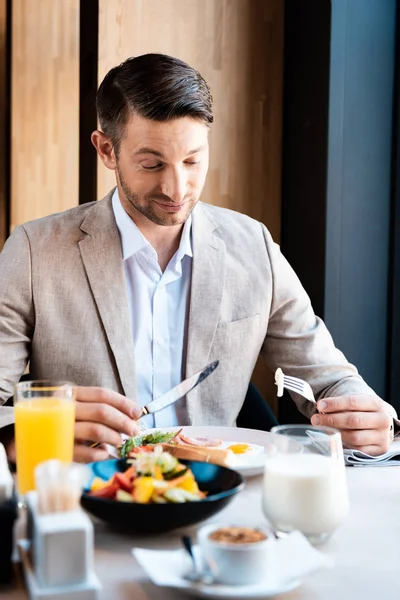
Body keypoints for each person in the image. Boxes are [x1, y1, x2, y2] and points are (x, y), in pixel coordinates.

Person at [0, 53, 397, 463]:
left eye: (192, 160)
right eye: (152, 163)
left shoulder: (253, 245)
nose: (177, 189)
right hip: (90, 500)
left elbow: (329, 380)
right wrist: (23, 436)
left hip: (220, 498)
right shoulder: (33, 251)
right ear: (106, 151)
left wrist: (366, 417)